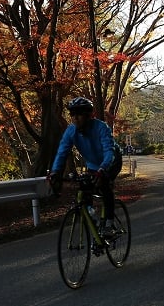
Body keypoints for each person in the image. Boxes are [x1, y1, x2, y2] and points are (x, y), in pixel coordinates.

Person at [48, 97, 122, 235]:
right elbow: (62, 152)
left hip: (111, 161)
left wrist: (103, 169)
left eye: (79, 114)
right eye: (72, 115)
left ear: (88, 115)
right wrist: (55, 171)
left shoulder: (101, 127)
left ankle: (109, 224)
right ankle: (92, 217)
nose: (75, 118)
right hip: (93, 164)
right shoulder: (71, 131)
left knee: (104, 186)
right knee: (84, 188)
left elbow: (108, 151)